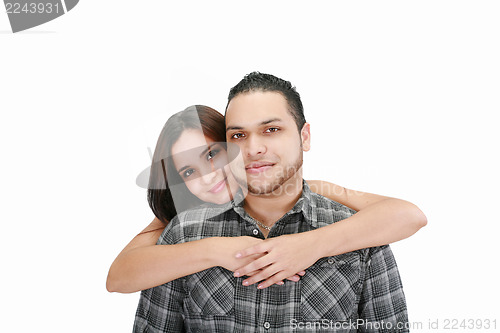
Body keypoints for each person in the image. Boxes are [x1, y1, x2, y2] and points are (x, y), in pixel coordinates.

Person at [132, 72, 422, 332]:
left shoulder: (363, 236)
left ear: (304, 136)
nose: (254, 148)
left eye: (271, 129)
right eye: (238, 135)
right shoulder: (185, 233)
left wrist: (314, 244)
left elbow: (409, 215)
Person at [106, 105, 426, 294]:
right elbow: (119, 276)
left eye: (213, 154)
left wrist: (310, 245)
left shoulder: (307, 190)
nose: (209, 176)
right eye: (189, 172)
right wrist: (217, 250)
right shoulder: (185, 218)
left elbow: (408, 215)